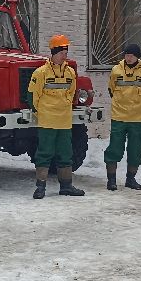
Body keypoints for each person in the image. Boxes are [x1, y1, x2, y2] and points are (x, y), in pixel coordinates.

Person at [29, 34, 84, 199]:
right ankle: (40, 187)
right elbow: (32, 97)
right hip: (47, 121)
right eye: (62, 52)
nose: (65, 55)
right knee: (44, 153)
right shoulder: (40, 73)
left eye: (66, 52)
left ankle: (66, 186)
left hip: (64, 120)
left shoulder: (69, 73)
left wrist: (65, 103)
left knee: (66, 153)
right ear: (54, 52)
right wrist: (43, 112)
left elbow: (71, 92)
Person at [104, 43, 141, 191]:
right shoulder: (116, 70)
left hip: (137, 118)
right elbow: (111, 89)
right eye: (126, 55)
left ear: (137, 57)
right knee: (114, 148)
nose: (128, 57)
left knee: (135, 149)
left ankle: (131, 179)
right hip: (118, 116)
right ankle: (111, 180)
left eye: (131, 55)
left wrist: (139, 106)